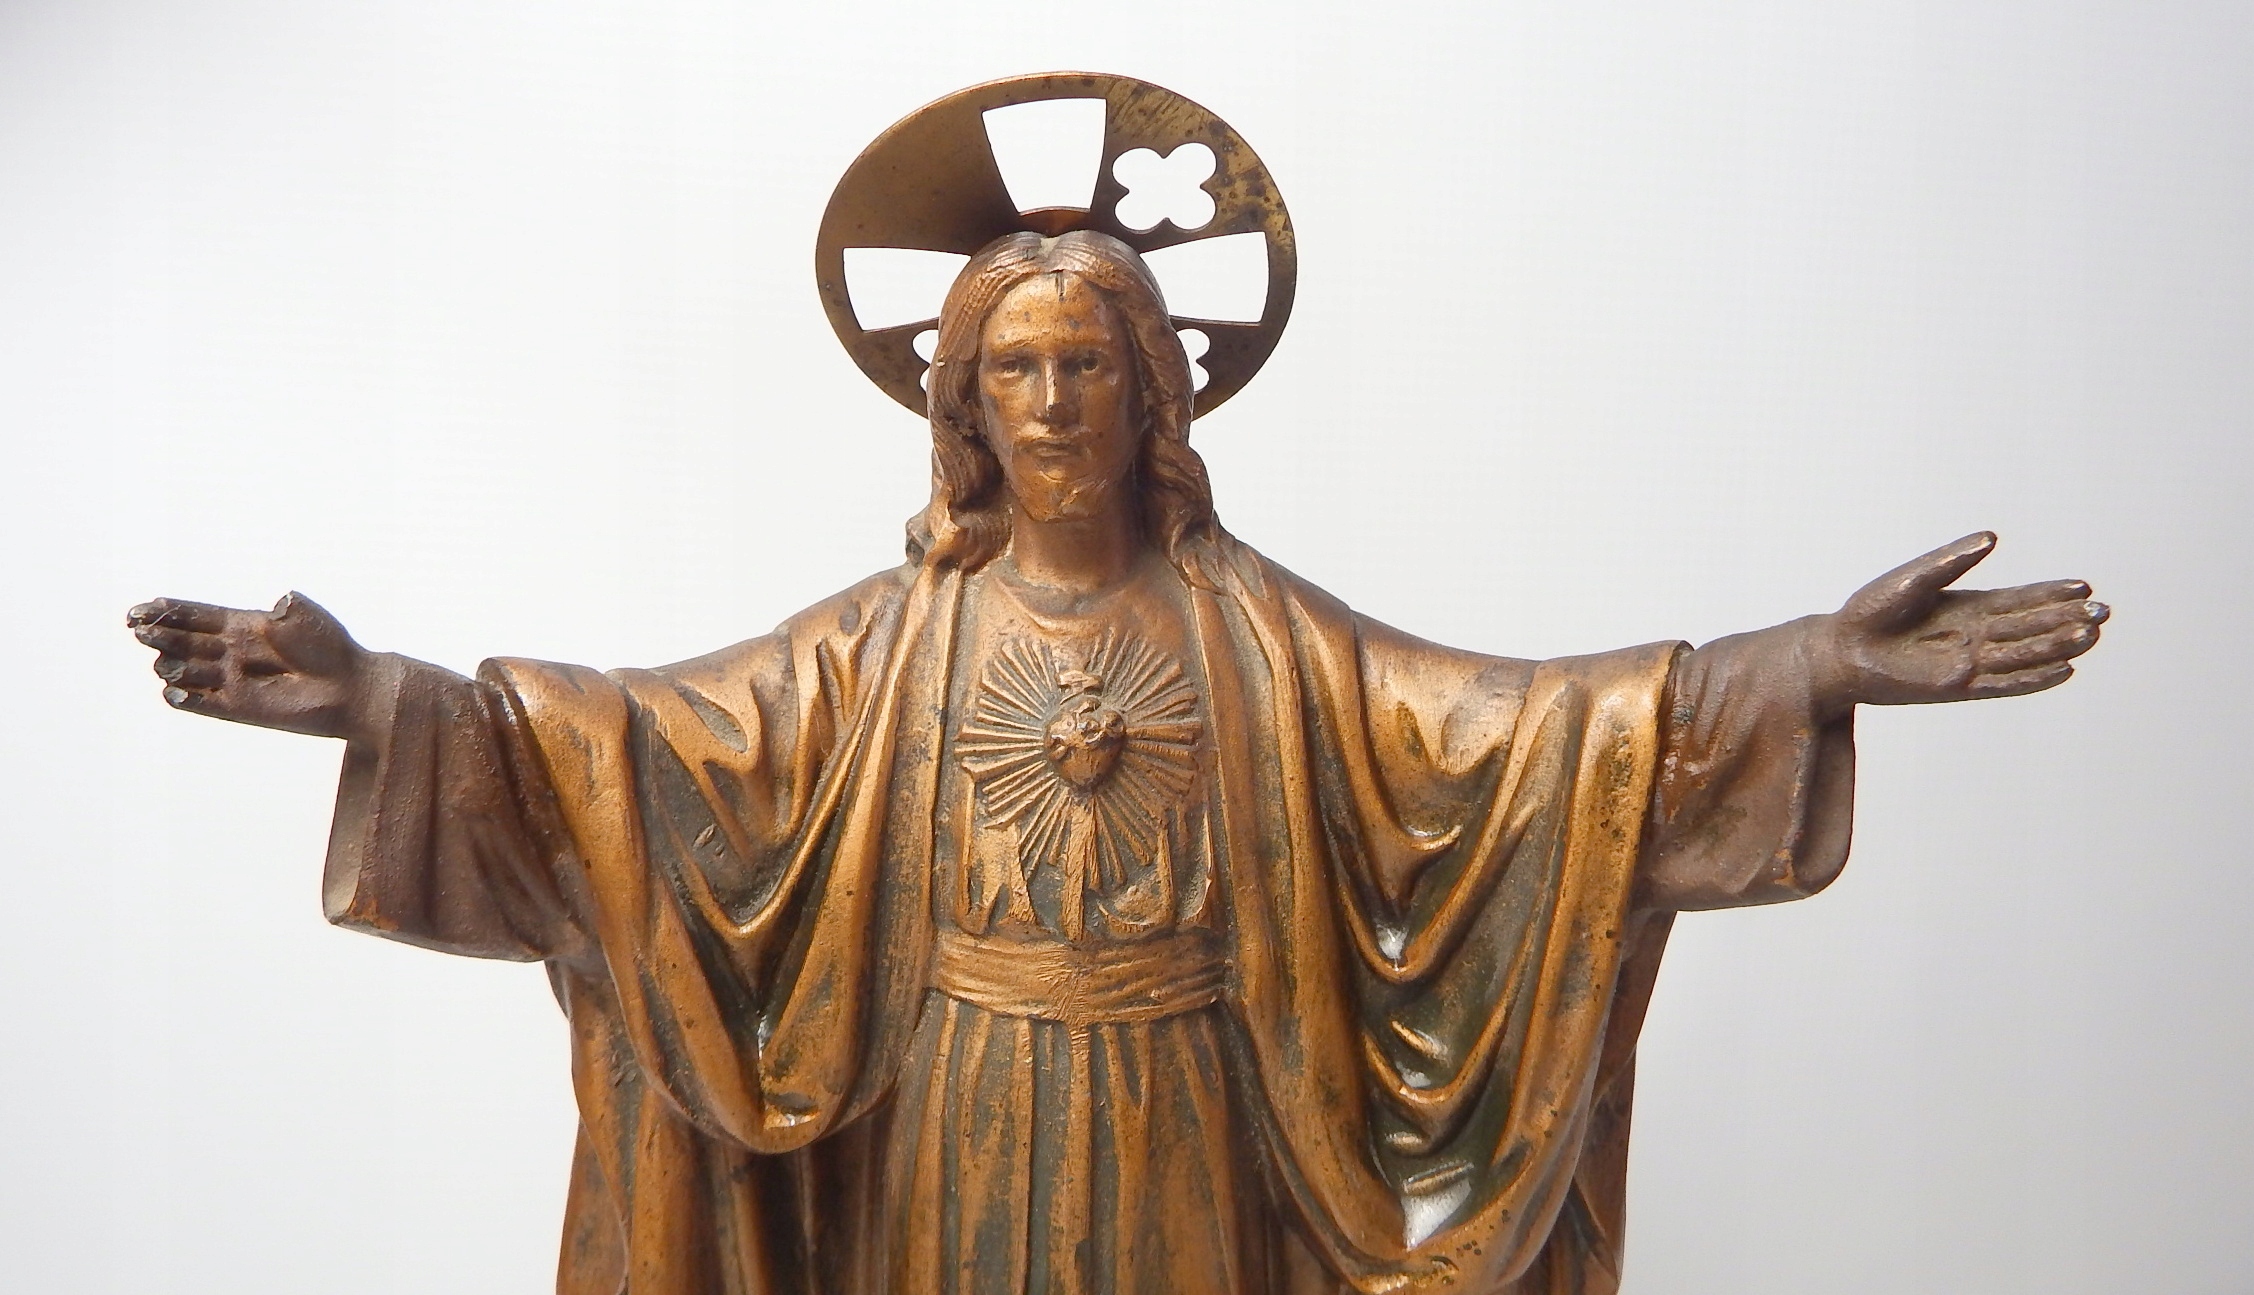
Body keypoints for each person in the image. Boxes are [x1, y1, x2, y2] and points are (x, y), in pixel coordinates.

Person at [129, 230, 2106, 1295]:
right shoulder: (884, 644)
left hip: (1191, 1109)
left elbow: (1525, 743)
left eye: (1089, 362)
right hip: (953, 1110)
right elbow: (619, 759)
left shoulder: (1264, 637)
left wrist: (1804, 668)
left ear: (1153, 385)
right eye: (1015, 367)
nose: (1055, 399)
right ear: (963, 404)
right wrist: (386, 702)